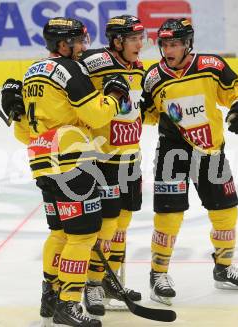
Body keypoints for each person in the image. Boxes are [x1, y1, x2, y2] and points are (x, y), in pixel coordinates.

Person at [1, 17, 131, 327]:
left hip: (42, 161)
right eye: (79, 41)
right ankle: (69, 304)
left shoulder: (32, 72)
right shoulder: (70, 70)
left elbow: (24, 133)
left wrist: (14, 111)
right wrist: (114, 95)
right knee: (83, 234)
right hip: (72, 160)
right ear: (63, 44)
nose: (84, 47)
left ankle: (51, 295)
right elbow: (96, 114)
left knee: (59, 232)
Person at [140, 18, 238, 306]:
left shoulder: (211, 66)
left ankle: (224, 267)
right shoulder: (153, 77)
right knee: (168, 215)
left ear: (188, 44)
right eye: (164, 44)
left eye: (175, 44)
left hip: (210, 152)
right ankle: (158, 274)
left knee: (226, 211)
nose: (169, 49)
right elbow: (148, 113)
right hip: (172, 154)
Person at [79, 14, 145, 316]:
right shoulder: (94, 61)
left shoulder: (139, 68)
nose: (140, 44)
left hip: (131, 157)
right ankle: (92, 284)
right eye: (133, 39)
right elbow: (60, 71)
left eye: (141, 38)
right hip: (103, 158)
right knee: (106, 226)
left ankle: (111, 280)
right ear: (117, 41)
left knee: (122, 224)